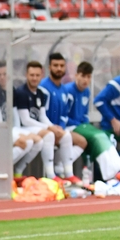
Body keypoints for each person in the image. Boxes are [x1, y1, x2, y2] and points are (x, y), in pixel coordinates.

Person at [61, 61, 120, 182]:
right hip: (70, 127)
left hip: (82, 126)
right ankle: (114, 174)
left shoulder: (86, 91)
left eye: (88, 77)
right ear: (76, 75)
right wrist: (81, 125)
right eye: (83, 76)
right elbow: (64, 116)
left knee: (107, 137)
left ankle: (118, 171)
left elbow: (84, 114)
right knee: (99, 135)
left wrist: (85, 124)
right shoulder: (68, 91)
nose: (85, 80)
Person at [15, 61, 76, 181]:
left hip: (36, 127)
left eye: (37, 75)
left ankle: (69, 174)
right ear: (26, 75)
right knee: (49, 135)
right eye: (32, 75)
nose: (34, 78)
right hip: (23, 128)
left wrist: (52, 126)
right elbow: (26, 120)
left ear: (41, 75)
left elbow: (42, 116)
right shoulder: (21, 92)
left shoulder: (41, 93)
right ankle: (50, 175)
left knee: (66, 135)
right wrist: (48, 128)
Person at [39, 52, 86, 181]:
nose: (59, 69)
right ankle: (51, 174)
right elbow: (40, 114)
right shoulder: (43, 88)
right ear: (49, 67)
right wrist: (52, 127)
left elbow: (65, 114)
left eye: (61, 65)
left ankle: (66, 172)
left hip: (59, 129)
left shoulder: (64, 90)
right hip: (45, 128)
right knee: (56, 136)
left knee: (79, 140)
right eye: (55, 65)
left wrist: (61, 127)